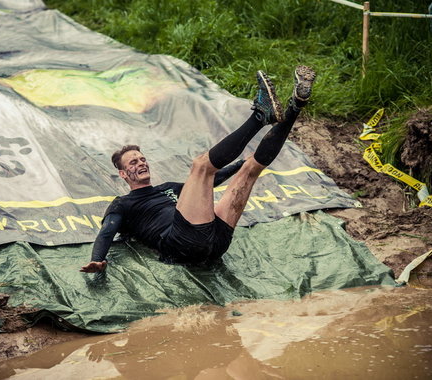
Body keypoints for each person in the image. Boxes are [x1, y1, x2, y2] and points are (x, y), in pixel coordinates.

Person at [80, 66, 316, 273]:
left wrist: (238, 164)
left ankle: (296, 105)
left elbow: (211, 183)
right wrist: (97, 259)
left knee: (251, 168)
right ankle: (259, 116)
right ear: (123, 174)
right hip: (181, 244)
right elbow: (107, 233)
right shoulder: (124, 203)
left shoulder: (168, 189)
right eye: (133, 162)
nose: (140, 163)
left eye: (142, 159)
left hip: (216, 242)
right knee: (201, 166)